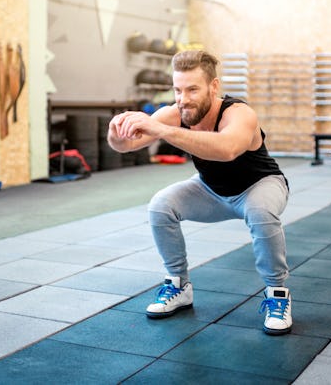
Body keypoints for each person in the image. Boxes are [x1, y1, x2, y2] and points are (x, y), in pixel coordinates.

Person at [107, 49, 292, 335]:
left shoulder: (239, 113)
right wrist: (116, 132)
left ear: (213, 86)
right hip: (210, 190)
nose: (183, 99)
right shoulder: (175, 113)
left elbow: (227, 149)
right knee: (161, 205)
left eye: (192, 89)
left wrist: (161, 130)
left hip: (260, 185)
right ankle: (178, 286)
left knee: (260, 211)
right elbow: (127, 145)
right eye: (178, 90)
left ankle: (277, 294)